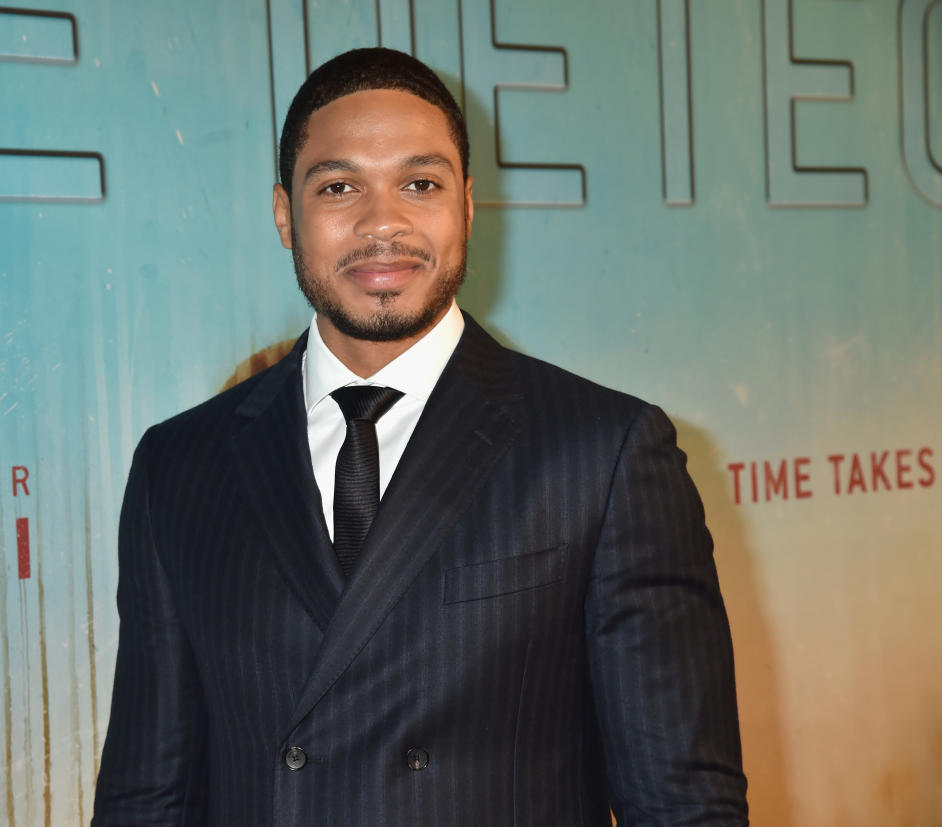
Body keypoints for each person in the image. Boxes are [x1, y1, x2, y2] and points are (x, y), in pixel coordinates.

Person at [93, 47, 748, 826]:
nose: (383, 224)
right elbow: (147, 795)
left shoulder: (602, 452)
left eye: (420, 183)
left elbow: (681, 803)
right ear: (284, 214)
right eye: (339, 187)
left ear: (467, 206)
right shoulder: (179, 466)